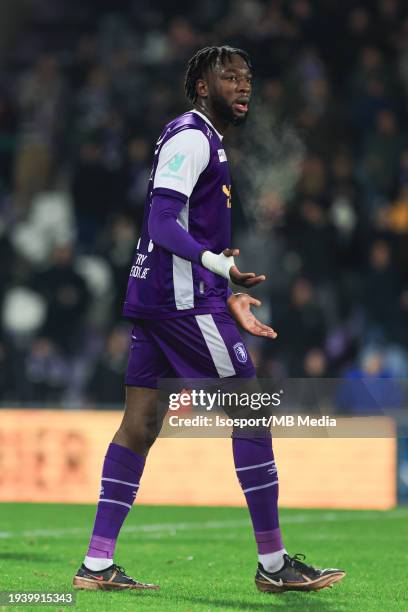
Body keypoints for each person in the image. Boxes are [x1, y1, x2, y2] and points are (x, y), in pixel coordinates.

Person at [73, 45, 345, 594]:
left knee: (140, 425)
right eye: (229, 77)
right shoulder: (192, 136)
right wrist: (217, 267)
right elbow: (162, 221)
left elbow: (178, 230)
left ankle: (96, 565)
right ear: (201, 85)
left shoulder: (204, 141)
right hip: (179, 304)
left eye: (247, 77)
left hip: (163, 299)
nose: (243, 85)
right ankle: (274, 567)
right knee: (251, 410)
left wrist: (224, 292)